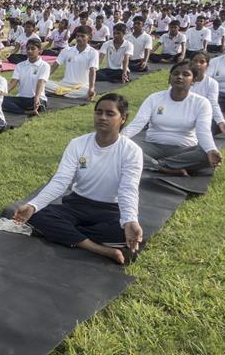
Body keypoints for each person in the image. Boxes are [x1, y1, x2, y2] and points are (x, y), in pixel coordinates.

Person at [13, 93, 142, 264]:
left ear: (123, 118)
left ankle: (68, 234)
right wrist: (33, 205)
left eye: (110, 114)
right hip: (77, 204)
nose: (102, 117)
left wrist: (130, 220)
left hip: (109, 209)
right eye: (99, 112)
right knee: (38, 215)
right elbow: (61, 181)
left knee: (123, 232)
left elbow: (128, 189)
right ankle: (100, 249)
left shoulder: (131, 151)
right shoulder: (78, 143)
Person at [122, 60, 221, 176]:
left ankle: (156, 165)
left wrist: (211, 149)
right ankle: (166, 167)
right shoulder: (154, 98)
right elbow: (137, 123)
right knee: (124, 147)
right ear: (170, 78)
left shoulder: (201, 103)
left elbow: (203, 131)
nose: (179, 77)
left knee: (205, 154)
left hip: (184, 149)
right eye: (176, 73)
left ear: (193, 81)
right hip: (152, 146)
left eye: (186, 74)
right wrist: (118, 139)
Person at [45, 25, 98, 100]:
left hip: (81, 87)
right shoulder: (66, 50)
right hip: (64, 84)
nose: (79, 38)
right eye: (78, 36)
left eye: (82, 36)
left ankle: (61, 93)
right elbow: (54, 66)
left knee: (87, 93)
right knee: (42, 83)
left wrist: (91, 88)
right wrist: (43, 79)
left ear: (89, 37)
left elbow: (93, 71)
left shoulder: (93, 52)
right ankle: (66, 93)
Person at [189, 52, 225, 135]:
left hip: (201, 117)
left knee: (217, 126)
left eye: (202, 62)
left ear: (207, 65)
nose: (198, 64)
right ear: (190, 63)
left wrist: (221, 122)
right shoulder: (183, 79)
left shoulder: (212, 83)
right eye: (195, 61)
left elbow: (213, 104)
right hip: (183, 115)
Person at [3, 39, 49, 115]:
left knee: (35, 102)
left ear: (39, 50)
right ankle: (27, 112)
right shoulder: (20, 65)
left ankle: (33, 107)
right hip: (22, 98)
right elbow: (12, 83)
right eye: (28, 49)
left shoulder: (44, 66)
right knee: (1, 100)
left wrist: (37, 97)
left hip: (36, 99)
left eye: (33, 49)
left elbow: (41, 82)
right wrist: (0, 94)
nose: (30, 51)